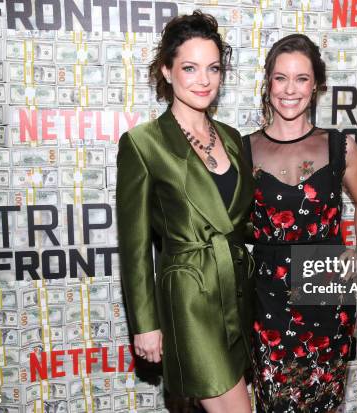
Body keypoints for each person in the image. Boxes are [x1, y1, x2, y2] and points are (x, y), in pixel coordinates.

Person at [116, 11, 255, 413]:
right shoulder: (144, 144)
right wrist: (145, 324)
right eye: (190, 68)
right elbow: (135, 245)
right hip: (189, 297)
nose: (204, 80)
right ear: (167, 70)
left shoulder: (230, 137)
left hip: (235, 292)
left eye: (213, 68)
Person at [243, 34, 357, 412]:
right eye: (280, 77)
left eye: (301, 78)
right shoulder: (241, 150)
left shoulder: (340, 147)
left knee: (323, 401)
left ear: (315, 85)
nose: (290, 89)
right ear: (267, 83)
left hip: (328, 297)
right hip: (267, 298)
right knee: (274, 402)